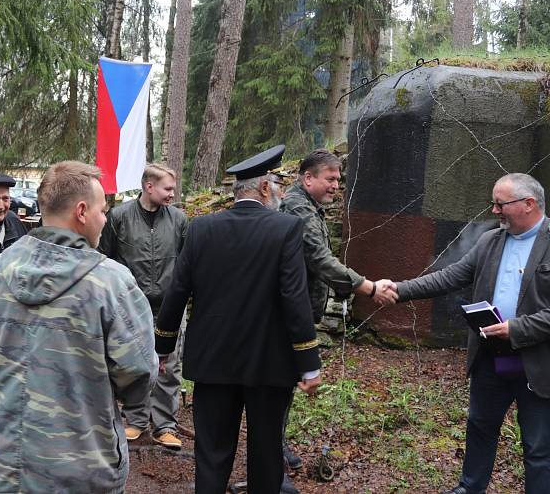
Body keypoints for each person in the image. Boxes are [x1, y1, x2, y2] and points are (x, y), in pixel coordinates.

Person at [0, 161, 157, 493]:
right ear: (82, 211)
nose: (105, 219)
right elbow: (138, 370)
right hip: (80, 466)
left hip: (3, 461)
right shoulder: (110, 282)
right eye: (103, 210)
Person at [154, 145, 321, 494]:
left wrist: (162, 347)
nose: (281, 189)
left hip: (213, 363)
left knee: (211, 455)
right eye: (277, 182)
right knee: (266, 455)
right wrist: (309, 362)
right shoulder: (286, 229)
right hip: (269, 366)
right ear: (263, 187)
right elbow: (295, 297)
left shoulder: (201, 229)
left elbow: (177, 291)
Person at [381, 173, 550, 494]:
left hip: (538, 364)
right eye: (494, 204)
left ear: (529, 204)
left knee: (538, 448)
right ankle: (469, 489)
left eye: (500, 204)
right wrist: (398, 290)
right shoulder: (491, 240)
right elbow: (448, 277)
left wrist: (517, 328)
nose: (495, 211)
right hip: (490, 357)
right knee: (480, 429)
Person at [278, 149, 396, 469]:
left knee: (285, 383)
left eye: (338, 179)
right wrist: (368, 287)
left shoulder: (308, 207)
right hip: (286, 315)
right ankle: (271, 452)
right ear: (308, 178)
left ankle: (274, 444)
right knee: (279, 385)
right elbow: (320, 260)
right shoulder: (298, 209)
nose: (335, 185)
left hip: (297, 310)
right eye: (330, 179)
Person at [98, 163, 188, 449]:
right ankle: (134, 420)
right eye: (168, 188)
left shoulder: (179, 220)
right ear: (149, 186)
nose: (173, 194)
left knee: (169, 365)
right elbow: (105, 257)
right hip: (130, 306)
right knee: (133, 363)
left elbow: (186, 262)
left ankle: (164, 425)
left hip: (169, 306)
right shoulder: (119, 216)